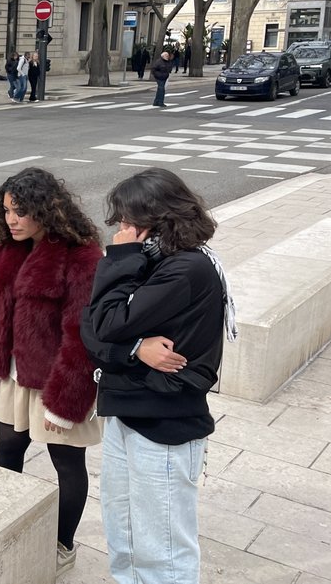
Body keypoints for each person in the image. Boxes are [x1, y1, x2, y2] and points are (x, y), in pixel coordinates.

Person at [80, 168, 235, 584]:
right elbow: (89, 326)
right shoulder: (153, 260)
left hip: (165, 422)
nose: (121, 230)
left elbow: (106, 323)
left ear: (158, 219)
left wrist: (120, 259)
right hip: (128, 409)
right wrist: (135, 348)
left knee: (162, 546)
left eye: (128, 220)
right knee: (124, 531)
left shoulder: (186, 268)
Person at [0, 168, 103, 577]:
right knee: (8, 447)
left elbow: (82, 334)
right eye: (6, 211)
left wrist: (66, 401)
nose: (11, 220)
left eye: (21, 211)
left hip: (58, 380)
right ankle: (6, 523)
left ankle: (62, 545)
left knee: (66, 461)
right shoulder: (9, 248)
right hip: (15, 373)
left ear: (46, 209)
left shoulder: (80, 256)